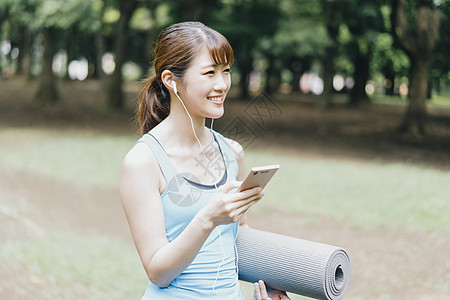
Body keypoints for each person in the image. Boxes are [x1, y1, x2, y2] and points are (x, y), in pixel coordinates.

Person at [120, 21, 290, 300]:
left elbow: (237, 236)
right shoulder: (143, 162)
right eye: (209, 73)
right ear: (170, 80)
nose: (222, 84)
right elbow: (157, 271)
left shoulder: (232, 152)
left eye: (226, 72)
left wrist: (271, 285)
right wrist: (207, 218)